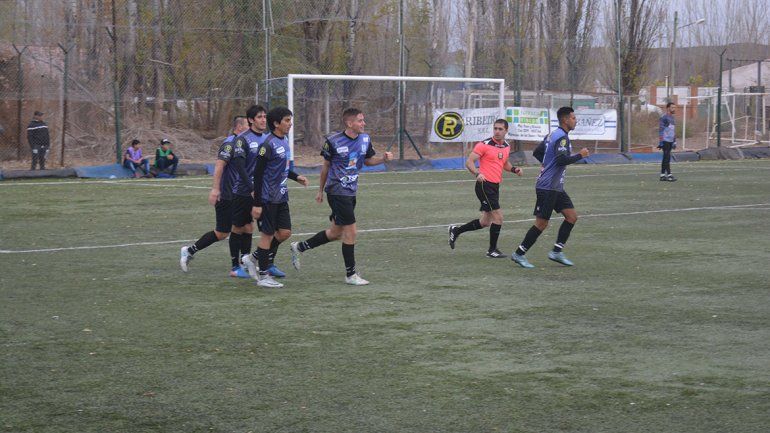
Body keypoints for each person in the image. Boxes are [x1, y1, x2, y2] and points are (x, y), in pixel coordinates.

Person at [288, 108, 393, 285]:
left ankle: (299, 247)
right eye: (360, 120)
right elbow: (326, 167)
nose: (363, 123)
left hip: (351, 191)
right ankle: (351, 275)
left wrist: (383, 159)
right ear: (349, 123)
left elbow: (368, 160)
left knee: (336, 232)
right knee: (351, 231)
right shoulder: (333, 141)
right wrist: (320, 190)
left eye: (363, 120)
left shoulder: (365, 139)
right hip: (337, 191)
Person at [511, 106, 589, 269]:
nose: (575, 121)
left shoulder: (552, 134)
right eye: (573, 118)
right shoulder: (562, 138)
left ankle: (556, 251)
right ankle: (519, 253)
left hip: (556, 186)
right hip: (548, 187)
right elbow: (561, 160)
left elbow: (538, 152)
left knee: (571, 216)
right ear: (565, 120)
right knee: (541, 223)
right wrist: (580, 156)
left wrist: (546, 165)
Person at [241, 106, 309, 288]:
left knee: (285, 232)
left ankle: (253, 258)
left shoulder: (284, 140)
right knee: (267, 235)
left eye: (290, 119)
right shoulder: (267, 145)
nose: (290, 123)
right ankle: (263, 276)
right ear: (276, 123)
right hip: (267, 198)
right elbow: (259, 174)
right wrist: (256, 204)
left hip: (281, 196)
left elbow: (282, 169)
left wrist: (296, 177)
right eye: (287, 120)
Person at [180, 116, 251, 277]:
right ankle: (189, 251)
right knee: (223, 233)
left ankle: (243, 263)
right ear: (239, 127)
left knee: (247, 227)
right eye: (248, 124)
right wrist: (215, 189)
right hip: (227, 194)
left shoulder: (245, 143)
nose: (251, 127)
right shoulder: (229, 143)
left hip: (240, 194)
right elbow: (219, 165)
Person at [224, 105, 286, 279]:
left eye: (265, 116)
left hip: (263, 192)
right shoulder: (242, 139)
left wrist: (295, 176)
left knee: (270, 230)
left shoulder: (268, 139)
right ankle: (236, 266)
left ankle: (267, 263)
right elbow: (239, 166)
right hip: (244, 192)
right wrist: (251, 189)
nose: (263, 120)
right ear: (251, 120)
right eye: (259, 117)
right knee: (240, 227)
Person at [448, 119, 522, 258]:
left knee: (485, 222)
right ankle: (492, 250)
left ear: (506, 131)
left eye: (500, 129)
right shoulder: (484, 145)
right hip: (484, 185)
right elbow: (469, 162)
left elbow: (504, 163)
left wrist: (514, 169)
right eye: (495, 128)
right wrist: (477, 173)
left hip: (495, 186)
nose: (497, 131)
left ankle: (456, 231)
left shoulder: (506, 146)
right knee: (498, 218)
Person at [658, 102, 677, 182]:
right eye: (672, 107)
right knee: (667, 157)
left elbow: (673, 130)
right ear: (668, 108)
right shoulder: (664, 117)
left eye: (674, 107)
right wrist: (661, 142)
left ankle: (662, 175)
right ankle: (669, 175)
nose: (674, 109)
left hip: (670, 140)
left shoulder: (672, 118)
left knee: (666, 158)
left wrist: (674, 141)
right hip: (665, 140)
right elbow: (661, 130)